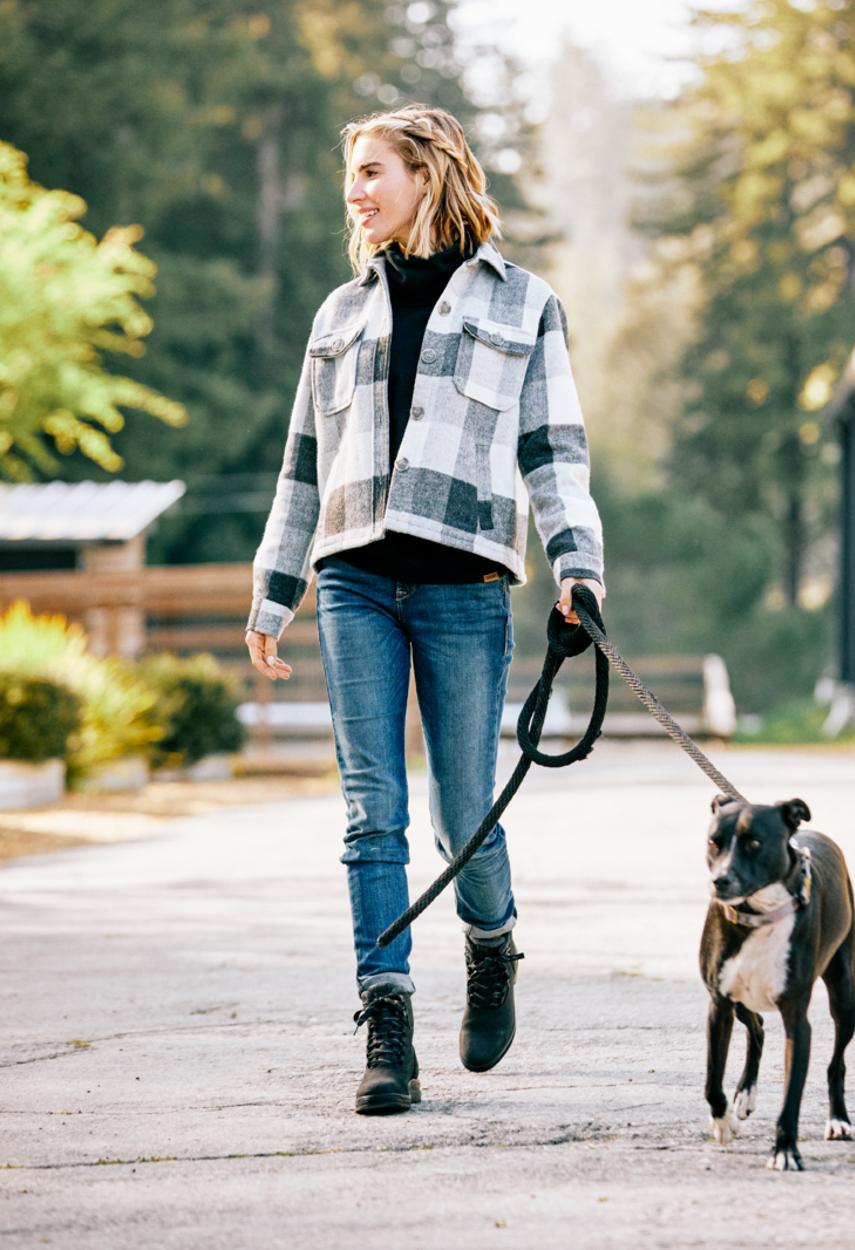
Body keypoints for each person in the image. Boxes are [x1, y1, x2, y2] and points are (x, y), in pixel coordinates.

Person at [245, 103, 605, 1115]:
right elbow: (302, 465)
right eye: (350, 173)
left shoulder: (523, 303)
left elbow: (552, 451)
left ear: (427, 174)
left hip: (463, 584)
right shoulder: (338, 314)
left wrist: (578, 564)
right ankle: (387, 1020)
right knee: (372, 811)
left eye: (371, 171)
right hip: (355, 577)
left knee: (463, 815)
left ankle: (491, 946)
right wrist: (275, 589)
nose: (355, 190)